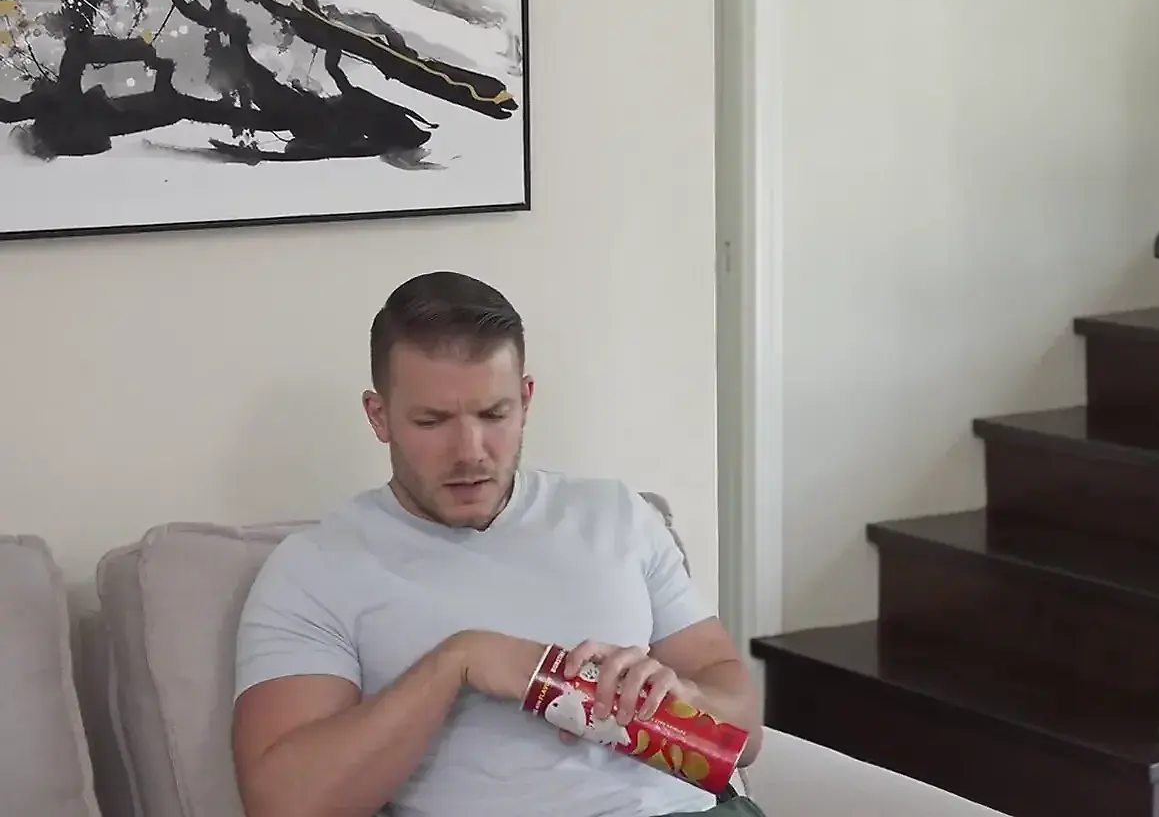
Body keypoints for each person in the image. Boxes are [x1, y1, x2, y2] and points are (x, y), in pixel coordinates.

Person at [230, 271, 768, 817]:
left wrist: (685, 700)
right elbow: (283, 806)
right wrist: (457, 662)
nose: (470, 451)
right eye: (432, 421)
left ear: (526, 400)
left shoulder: (617, 515)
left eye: (494, 415)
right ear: (379, 415)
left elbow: (743, 740)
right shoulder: (318, 567)